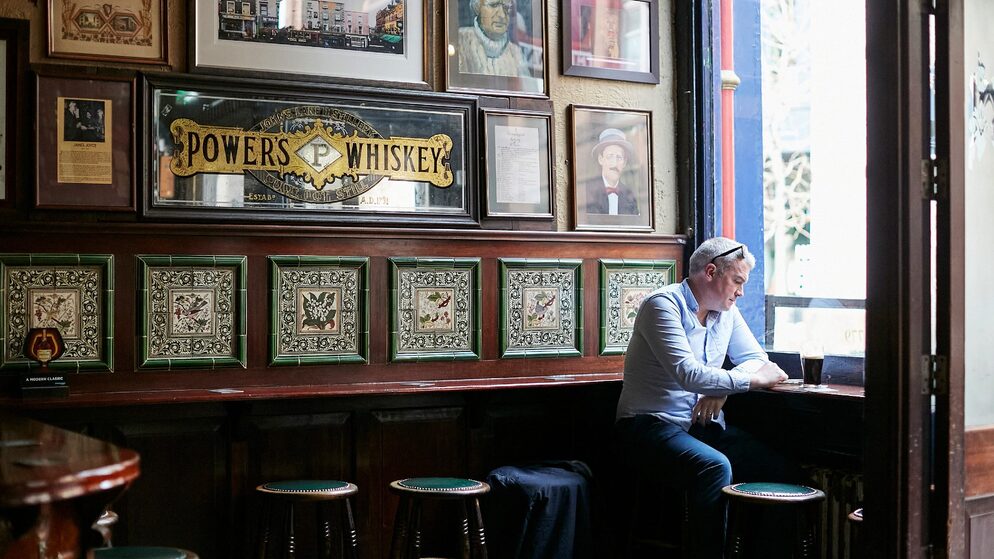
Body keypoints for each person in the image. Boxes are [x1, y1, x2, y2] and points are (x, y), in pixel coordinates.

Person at [614, 237, 797, 558]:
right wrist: (741, 381)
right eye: (737, 281)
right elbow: (688, 374)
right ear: (710, 272)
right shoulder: (662, 305)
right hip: (647, 427)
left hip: (701, 426)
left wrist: (722, 388)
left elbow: (756, 358)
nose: (740, 292)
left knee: (778, 468)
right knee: (713, 467)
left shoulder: (726, 311)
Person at [457, 0, 528, 77]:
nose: (502, 15)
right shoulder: (459, 41)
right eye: (493, 5)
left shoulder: (516, 53)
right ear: (477, 8)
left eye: (507, 7)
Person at [585, 128, 639, 215]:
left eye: (619, 157)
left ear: (624, 162)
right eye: (610, 156)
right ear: (600, 159)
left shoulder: (629, 196)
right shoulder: (587, 192)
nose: (614, 163)